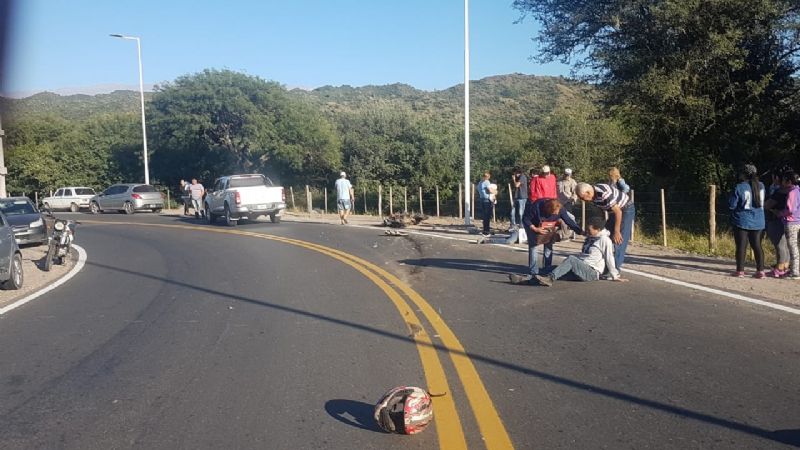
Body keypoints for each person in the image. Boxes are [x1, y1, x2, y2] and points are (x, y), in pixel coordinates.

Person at [533, 217, 629, 286]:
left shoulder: (604, 240)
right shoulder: (590, 237)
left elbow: (609, 257)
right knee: (550, 269)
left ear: (598, 230)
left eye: (589, 230)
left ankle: (550, 279)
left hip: (591, 272)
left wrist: (615, 275)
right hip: (580, 268)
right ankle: (528, 279)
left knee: (571, 259)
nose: (587, 231)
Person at [508, 198, 584, 284]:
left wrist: (579, 231)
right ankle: (533, 272)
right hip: (533, 224)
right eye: (554, 212)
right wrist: (535, 229)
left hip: (548, 225)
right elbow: (526, 219)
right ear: (547, 210)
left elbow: (568, 220)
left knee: (549, 245)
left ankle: (546, 270)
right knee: (533, 246)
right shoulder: (536, 207)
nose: (556, 214)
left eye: (557, 212)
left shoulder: (560, 209)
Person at [576, 181, 635, 271]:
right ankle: (604, 266)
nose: (582, 200)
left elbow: (618, 212)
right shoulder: (593, 196)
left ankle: (615, 270)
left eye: (582, 197)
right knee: (605, 236)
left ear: (588, 192)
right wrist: (600, 227)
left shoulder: (603, 194)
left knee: (618, 240)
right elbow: (602, 211)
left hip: (625, 209)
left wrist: (616, 231)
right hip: (612, 212)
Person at [728, 164, 766, 278]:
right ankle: (761, 270)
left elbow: (731, 205)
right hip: (759, 220)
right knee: (757, 245)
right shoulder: (761, 185)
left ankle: (740, 270)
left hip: (742, 220)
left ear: (744, 174)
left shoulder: (739, 187)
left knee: (741, 246)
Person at [764, 167, 790, 277]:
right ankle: (786, 266)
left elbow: (767, 205)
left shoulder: (778, 192)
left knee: (779, 245)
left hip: (776, 219)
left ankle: (779, 268)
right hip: (788, 221)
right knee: (786, 245)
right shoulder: (792, 190)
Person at [779, 170, 800, 280]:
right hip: (797, 221)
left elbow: (791, 209)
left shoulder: (792, 193)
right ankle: (793, 269)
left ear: (789, 181)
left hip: (791, 221)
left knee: (792, 247)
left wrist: (781, 213)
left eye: (784, 180)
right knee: (794, 246)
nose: (782, 182)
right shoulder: (798, 191)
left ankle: (795, 272)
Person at [477, 172, 493, 236]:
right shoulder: (487, 182)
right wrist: (496, 191)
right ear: (488, 177)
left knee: (484, 216)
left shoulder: (480, 182)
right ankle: (486, 231)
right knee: (487, 216)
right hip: (487, 200)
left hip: (481, 199)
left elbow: (479, 190)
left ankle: (484, 230)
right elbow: (490, 190)